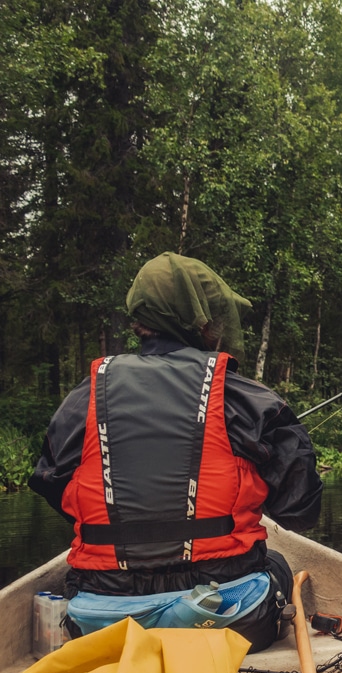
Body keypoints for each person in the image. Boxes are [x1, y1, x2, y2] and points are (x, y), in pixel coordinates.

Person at [29, 252, 323, 652]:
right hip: (228, 620)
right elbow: (300, 511)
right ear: (199, 321)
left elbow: (51, 484)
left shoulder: (83, 399)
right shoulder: (245, 398)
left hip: (104, 624)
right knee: (277, 564)